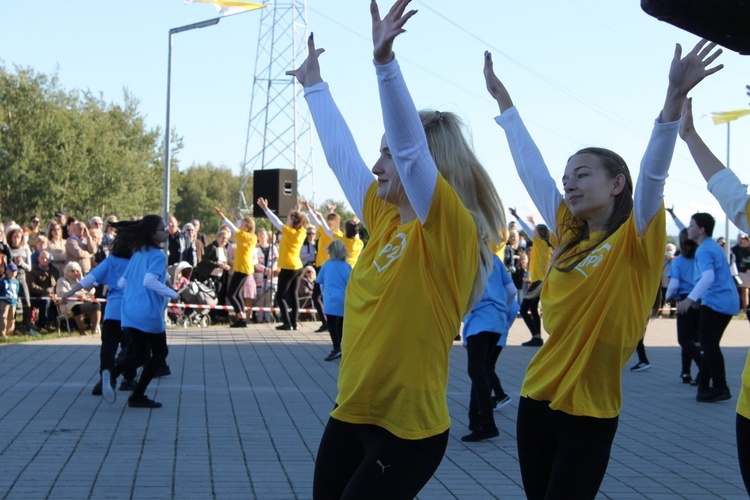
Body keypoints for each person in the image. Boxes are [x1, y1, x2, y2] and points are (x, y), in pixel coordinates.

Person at [484, 37, 722, 498]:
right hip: (536, 399)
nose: (569, 183)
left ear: (617, 183)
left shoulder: (636, 237)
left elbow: (653, 171)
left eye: (583, 173)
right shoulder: (568, 232)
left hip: (590, 412)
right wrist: (505, 105)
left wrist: (672, 100)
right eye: (567, 176)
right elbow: (531, 169)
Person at [287, 1, 505, 495]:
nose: (378, 163)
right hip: (351, 412)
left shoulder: (450, 231)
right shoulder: (386, 218)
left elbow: (411, 150)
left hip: (407, 432)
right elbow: (342, 155)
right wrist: (314, 87)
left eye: (387, 152)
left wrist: (385, 64)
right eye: (381, 151)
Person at [678, 94, 750, 492]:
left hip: (720, 303)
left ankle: (713, 384)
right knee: (705, 343)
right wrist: (688, 137)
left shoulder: (708, 248)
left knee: (706, 342)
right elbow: (731, 192)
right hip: (749, 405)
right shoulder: (708, 242)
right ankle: (714, 384)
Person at [101, 215, 179, 408]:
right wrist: (172, 293)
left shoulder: (137, 253)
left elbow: (122, 282)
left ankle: (112, 372)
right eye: (162, 229)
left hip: (129, 311)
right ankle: (136, 395)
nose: (166, 232)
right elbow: (149, 281)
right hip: (148, 312)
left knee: (140, 355)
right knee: (160, 352)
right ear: (152, 234)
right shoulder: (158, 256)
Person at [60, 230, 137, 394]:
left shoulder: (111, 261)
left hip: (112, 310)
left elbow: (90, 279)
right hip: (131, 310)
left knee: (108, 347)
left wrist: (69, 292)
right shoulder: (136, 261)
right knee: (130, 346)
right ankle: (128, 378)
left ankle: (105, 376)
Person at [676, 212, 738, 403]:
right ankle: (704, 387)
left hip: (717, 302)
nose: (688, 229)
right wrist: (698, 297)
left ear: (702, 229)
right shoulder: (710, 246)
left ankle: (720, 387)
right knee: (709, 344)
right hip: (721, 300)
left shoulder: (704, 250)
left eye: (692, 225)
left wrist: (690, 298)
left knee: (709, 344)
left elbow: (709, 277)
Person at [460, 254, 510, 442]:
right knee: (481, 370)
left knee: (476, 371)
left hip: (479, 321)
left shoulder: (468, 259)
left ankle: (488, 424)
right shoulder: (494, 259)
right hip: (497, 321)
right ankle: (475, 421)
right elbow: (511, 290)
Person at [256, 198, 307, 331]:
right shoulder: (302, 232)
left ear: (293, 221)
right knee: (294, 295)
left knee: (280, 296)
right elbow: (298, 222)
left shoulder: (289, 232)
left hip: (288, 267)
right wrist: (297, 211)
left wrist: (266, 209)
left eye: (289, 218)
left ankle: (287, 322)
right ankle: (294, 323)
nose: (286, 219)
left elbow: (276, 222)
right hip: (298, 267)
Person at [509, 208, 553, 347]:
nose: (533, 233)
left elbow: (529, 230)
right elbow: (532, 231)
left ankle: (536, 336)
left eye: (536, 231)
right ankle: (537, 338)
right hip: (540, 281)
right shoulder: (546, 245)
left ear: (539, 234)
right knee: (533, 308)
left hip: (538, 282)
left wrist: (517, 216)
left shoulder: (540, 243)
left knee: (524, 309)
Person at [665, 228, 702, 384]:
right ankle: (688, 372)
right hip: (700, 300)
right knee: (695, 340)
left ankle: (699, 367)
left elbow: (674, 283)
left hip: (685, 301)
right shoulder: (700, 258)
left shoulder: (679, 260)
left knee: (684, 340)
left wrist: (666, 298)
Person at [212, 208, 256, 328]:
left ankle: (241, 317)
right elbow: (238, 225)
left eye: (243, 224)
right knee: (237, 294)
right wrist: (236, 217)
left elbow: (231, 226)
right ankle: (242, 318)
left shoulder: (242, 235)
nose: (241, 225)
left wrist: (222, 215)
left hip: (242, 268)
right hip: (246, 268)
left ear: (246, 227)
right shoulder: (253, 237)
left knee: (231, 294)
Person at [315, 240, 350, 361]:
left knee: (331, 324)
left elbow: (319, 281)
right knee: (341, 324)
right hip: (344, 298)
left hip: (330, 298)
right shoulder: (347, 266)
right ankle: (342, 347)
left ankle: (336, 347)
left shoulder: (327, 265)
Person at [56, 261, 101, 336]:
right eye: (72, 271)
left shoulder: (80, 281)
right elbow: (63, 294)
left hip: (84, 302)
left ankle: (94, 329)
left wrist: (82, 280)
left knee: (96, 305)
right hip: (68, 304)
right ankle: (82, 330)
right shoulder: (62, 280)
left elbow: (92, 291)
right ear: (67, 272)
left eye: (77, 271)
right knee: (78, 307)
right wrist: (78, 295)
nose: (75, 273)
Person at [7, 224, 38, 335]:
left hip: (22, 278)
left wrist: (22, 263)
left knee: (26, 302)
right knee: (11, 304)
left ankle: (29, 327)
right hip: (10, 280)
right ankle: (11, 329)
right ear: (10, 238)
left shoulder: (25, 249)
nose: (16, 239)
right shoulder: (8, 249)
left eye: (18, 237)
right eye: (14, 237)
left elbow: (29, 268)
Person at [27, 250, 59, 331]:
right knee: (46, 301)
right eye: (42, 258)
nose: (44, 260)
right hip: (36, 296)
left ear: (49, 259)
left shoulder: (54, 270)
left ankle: (57, 323)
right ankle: (42, 324)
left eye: (46, 258)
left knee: (58, 301)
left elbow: (57, 284)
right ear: (38, 258)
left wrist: (55, 293)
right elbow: (32, 286)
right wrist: (46, 293)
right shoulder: (32, 271)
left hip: (52, 294)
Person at [253, 228, 278, 323]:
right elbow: (254, 261)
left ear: (267, 236)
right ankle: (259, 319)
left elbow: (277, 259)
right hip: (259, 277)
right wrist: (264, 269)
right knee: (260, 298)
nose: (262, 236)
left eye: (263, 234)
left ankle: (268, 319)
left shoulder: (273, 248)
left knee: (269, 299)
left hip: (271, 277)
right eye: (260, 234)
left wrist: (272, 269)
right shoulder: (255, 248)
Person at [0, 262, 20, 337]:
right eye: (12, 271)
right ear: (7, 271)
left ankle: (10, 331)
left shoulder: (16, 282)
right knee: (3, 317)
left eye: (15, 271)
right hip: (4, 301)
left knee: (11, 317)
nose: (13, 273)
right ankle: (3, 332)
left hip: (13, 301)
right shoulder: (3, 281)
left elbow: (17, 290)